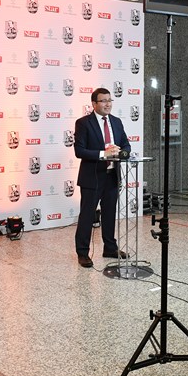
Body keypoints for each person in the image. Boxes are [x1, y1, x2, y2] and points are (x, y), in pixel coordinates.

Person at [74, 88, 131, 267]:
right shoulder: (83, 123)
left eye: (110, 100)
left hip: (112, 175)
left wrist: (122, 153)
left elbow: (126, 145)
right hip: (92, 177)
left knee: (109, 213)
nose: (108, 104)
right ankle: (83, 253)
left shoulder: (116, 122)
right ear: (94, 104)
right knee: (87, 216)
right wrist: (103, 154)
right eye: (103, 101)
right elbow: (79, 151)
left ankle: (110, 248)